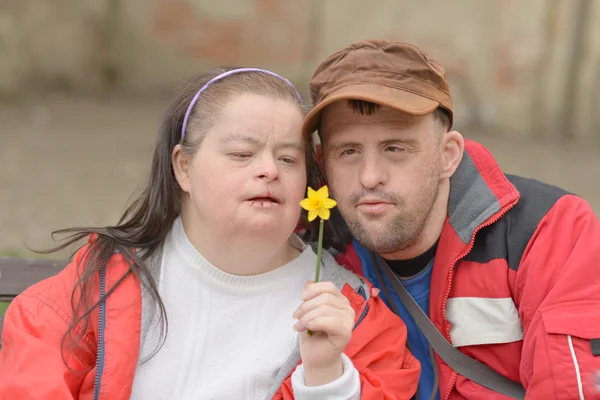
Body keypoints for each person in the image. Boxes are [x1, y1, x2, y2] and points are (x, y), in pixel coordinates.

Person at [0, 66, 421, 399]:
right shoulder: (106, 277)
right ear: (183, 167)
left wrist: (327, 378)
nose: (269, 170)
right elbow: (34, 365)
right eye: (242, 153)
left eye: (289, 160)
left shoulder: (351, 313)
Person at [301, 39, 600, 399]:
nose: (369, 177)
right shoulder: (309, 254)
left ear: (448, 155)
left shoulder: (550, 229)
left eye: (395, 148)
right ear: (322, 161)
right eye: (348, 152)